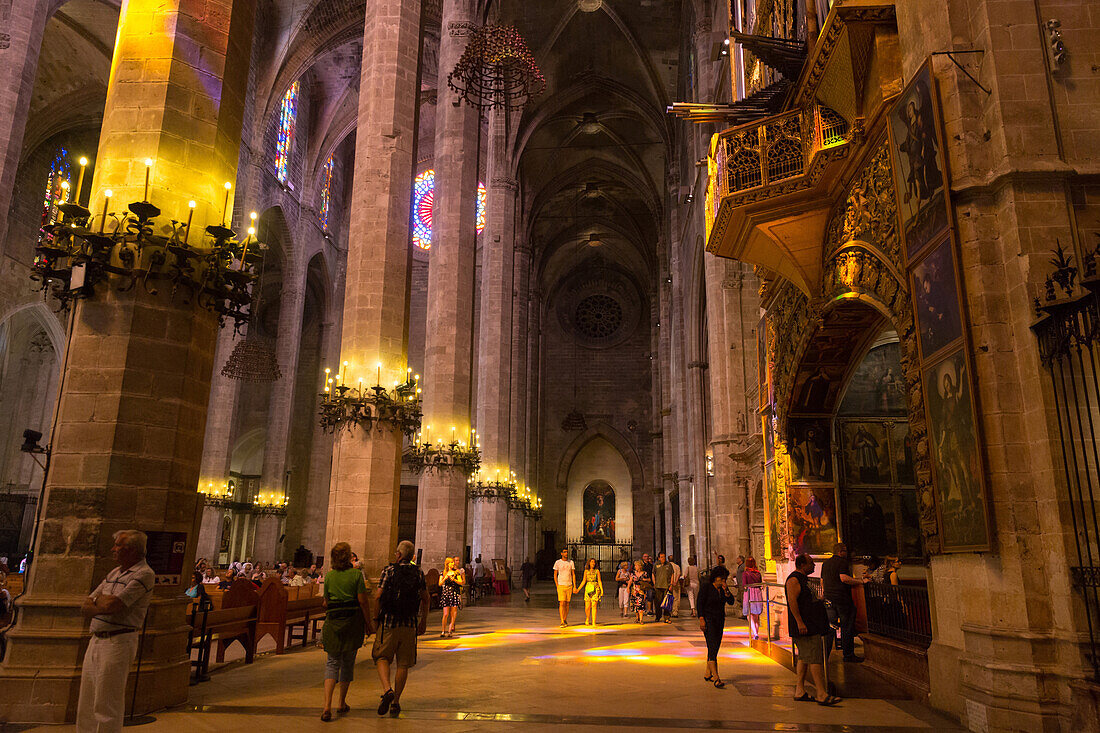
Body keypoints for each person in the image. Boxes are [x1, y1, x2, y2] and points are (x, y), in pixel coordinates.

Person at [77, 530, 155, 733]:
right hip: (97, 638)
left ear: (131, 550)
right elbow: (86, 605)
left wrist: (102, 602)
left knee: (107, 700)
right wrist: (101, 604)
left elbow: (114, 604)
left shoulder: (144, 574)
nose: (113, 549)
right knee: (87, 697)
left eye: (118, 546)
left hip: (118, 641)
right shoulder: (114, 573)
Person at [373, 540, 429, 717]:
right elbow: (426, 598)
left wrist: (375, 619)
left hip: (389, 622)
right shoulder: (418, 572)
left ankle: (387, 689)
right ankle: (396, 702)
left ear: (398, 555)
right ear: (412, 556)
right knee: (403, 664)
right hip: (410, 623)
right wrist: (424, 621)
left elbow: (378, 596)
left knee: (381, 656)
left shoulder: (389, 570)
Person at [320, 542, 371, 722]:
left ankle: (327, 705)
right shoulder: (356, 575)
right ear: (349, 556)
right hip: (352, 622)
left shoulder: (330, 576)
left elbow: (325, 602)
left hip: (333, 622)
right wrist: (369, 623)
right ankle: (341, 702)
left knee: (332, 663)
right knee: (348, 662)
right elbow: (363, 601)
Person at [786, 553, 840, 706]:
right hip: (805, 627)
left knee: (804, 657)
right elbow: (792, 601)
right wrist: (799, 622)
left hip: (811, 624)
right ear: (802, 565)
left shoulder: (804, 579)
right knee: (815, 658)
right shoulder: (794, 579)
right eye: (811, 563)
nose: (814, 566)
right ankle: (822, 693)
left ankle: (800, 690)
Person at [821, 542, 867, 663]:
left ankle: (824, 656)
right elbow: (844, 578)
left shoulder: (826, 564)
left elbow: (822, 581)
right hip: (842, 599)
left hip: (829, 598)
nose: (847, 554)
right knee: (847, 626)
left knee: (830, 628)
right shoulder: (842, 562)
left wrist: (825, 593)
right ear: (841, 551)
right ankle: (848, 654)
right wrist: (860, 581)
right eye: (845, 551)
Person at [696, 565, 737, 688]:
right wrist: (701, 619)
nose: (723, 581)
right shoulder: (706, 587)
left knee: (715, 646)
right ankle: (717, 677)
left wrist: (726, 591)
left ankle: (708, 673)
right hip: (708, 620)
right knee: (712, 646)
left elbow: (731, 602)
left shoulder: (722, 590)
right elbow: (700, 603)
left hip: (719, 620)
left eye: (725, 579)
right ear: (715, 578)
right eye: (721, 579)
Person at [438, 556, 464, 637]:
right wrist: (445, 578)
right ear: (448, 564)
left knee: (453, 613)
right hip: (446, 593)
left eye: (453, 562)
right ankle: (443, 630)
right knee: (445, 614)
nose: (453, 564)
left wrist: (454, 580)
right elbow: (439, 583)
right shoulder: (443, 572)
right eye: (452, 562)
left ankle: (450, 630)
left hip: (454, 593)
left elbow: (461, 582)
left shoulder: (456, 572)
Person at [575, 558, 604, 627]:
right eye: (591, 562)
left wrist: (601, 589)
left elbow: (599, 580)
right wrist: (578, 589)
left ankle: (594, 621)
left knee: (594, 605)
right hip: (588, 588)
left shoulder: (597, 571)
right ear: (589, 563)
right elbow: (583, 581)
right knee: (587, 607)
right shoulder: (586, 571)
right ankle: (587, 618)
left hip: (595, 588)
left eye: (594, 562)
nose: (593, 563)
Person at [741, 557, 764, 640]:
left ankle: (755, 633)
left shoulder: (745, 573)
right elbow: (760, 583)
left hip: (749, 593)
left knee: (749, 614)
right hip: (757, 593)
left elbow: (744, 585)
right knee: (756, 615)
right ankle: (756, 633)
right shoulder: (758, 573)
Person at [552, 548, 576, 628]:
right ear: (561, 553)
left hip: (569, 584)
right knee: (562, 602)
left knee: (567, 603)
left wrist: (574, 586)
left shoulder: (571, 562)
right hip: (561, 584)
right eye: (564, 552)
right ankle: (562, 620)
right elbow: (555, 574)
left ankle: (565, 618)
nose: (566, 554)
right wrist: (557, 584)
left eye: (567, 552)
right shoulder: (558, 562)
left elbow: (573, 574)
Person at [627, 560, 650, 624]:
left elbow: (649, 579)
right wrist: (628, 587)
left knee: (641, 604)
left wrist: (644, 579)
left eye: (636, 565)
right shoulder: (633, 573)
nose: (635, 567)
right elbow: (630, 581)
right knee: (635, 605)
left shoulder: (645, 573)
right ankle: (637, 618)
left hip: (641, 590)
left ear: (640, 566)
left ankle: (641, 619)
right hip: (634, 591)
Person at [652, 553, 673, 623]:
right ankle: (658, 616)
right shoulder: (656, 564)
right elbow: (653, 574)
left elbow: (672, 574)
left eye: (664, 557)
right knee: (658, 602)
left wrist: (671, 584)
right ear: (659, 558)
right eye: (661, 557)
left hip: (666, 586)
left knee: (667, 603)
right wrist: (654, 583)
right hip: (658, 586)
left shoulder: (669, 565)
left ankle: (667, 617)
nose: (663, 558)